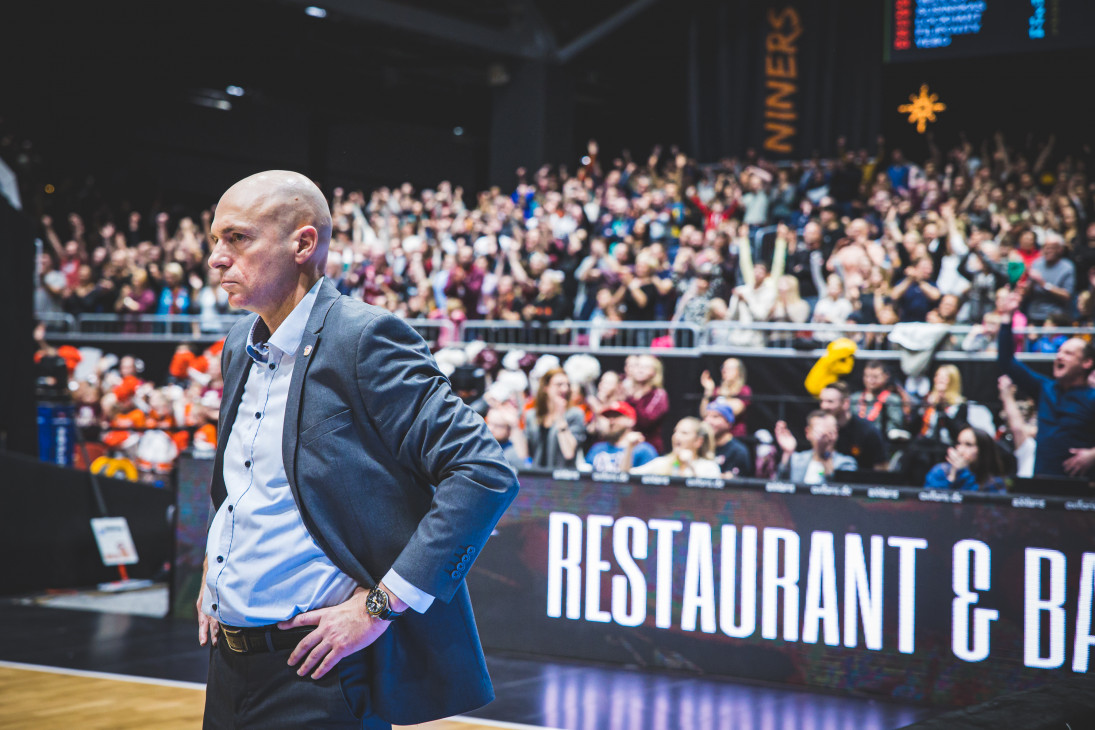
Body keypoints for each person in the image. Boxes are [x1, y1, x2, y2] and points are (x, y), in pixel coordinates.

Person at [196, 171, 519, 729]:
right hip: (227, 667)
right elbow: (243, 483)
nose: (216, 259)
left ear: (302, 244)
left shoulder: (364, 337)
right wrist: (215, 560)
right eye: (215, 241)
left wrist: (379, 606)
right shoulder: (237, 343)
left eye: (237, 238)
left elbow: (483, 472)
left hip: (318, 674)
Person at [997, 291, 1095, 476]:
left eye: (1068, 353)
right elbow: (1006, 361)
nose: (1059, 355)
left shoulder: (1092, 397)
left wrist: (1093, 455)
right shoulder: (1045, 388)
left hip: (1079, 489)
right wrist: (1007, 317)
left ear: (1086, 363)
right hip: (1042, 480)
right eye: (1059, 351)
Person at [523, 367, 588, 469]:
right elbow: (524, 455)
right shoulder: (532, 416)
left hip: (563, 480)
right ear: (546, 387)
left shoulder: (575, 414)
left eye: (567, 385)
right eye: (559, 385)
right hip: (537, 478)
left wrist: (560, 418)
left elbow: (569, 453)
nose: (564, 389)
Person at [818, 381, 888, 471]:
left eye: (830, 402)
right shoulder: (819, 428)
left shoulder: (867, 431)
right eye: (822, 401)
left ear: (845, 403)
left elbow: (882, 467)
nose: (824, 406)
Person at [774, 411, 857, 484]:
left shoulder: (846, 463)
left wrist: (825, 455)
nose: (823, 437)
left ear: (836, 433)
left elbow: (843, 493)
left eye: (829, 432)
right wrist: (787, 453)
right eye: (819, 432)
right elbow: (778, 487)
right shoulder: (796, 459)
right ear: (808, 433)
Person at [630, 417, 721, 478]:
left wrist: (689, 465)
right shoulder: (662, 462)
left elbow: (707, 496)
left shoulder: (709, 467)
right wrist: (629, 448)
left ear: (698, 441)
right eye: (675, 432)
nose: (676, 436)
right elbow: (626, 476)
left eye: (684, 433)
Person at [923, 427, 1008, 492]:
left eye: (968, 445)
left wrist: (964, 473)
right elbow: (931, 506)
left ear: (983, 450)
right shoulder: (939, 471)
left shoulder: (993, 483)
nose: (961, 450)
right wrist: (952, 476)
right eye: (959, 443)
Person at [584, 401, 658, 473]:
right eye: (609, 417)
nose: (611, 421)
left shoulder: (644, 450)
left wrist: (629, 448)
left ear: (631, 420)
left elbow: (647, 483)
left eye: (616, 416)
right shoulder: (597, 449)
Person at [849, 360, 907, 442]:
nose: (870, 380)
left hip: (881, 441)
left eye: (875, 377)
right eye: (867, 376)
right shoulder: (854, 398)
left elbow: (895, 424)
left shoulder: (892, 400)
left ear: (886, 376)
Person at [623, 354, 670, 453]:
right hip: (625, 445)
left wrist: (636, 398)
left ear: (654, 372)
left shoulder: (658, 394)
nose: (640, 370)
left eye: (646, 367)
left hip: (648, 448)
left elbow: (646, 421)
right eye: (638, 366)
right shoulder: (625, 391)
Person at [703, 398, 753, 478]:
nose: (708, 421)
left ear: (729, 423)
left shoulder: (738, 451)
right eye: (706, 416)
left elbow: (733, 482)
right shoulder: (700, 445)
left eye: (715, 417)